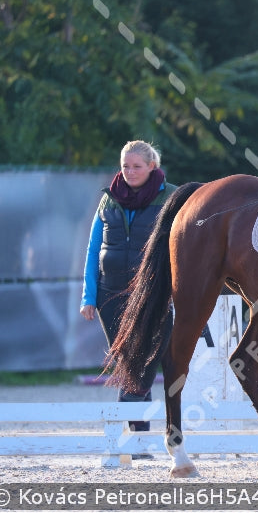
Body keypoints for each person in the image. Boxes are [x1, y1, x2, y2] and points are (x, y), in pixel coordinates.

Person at [80, 140, 177, 436]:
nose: (130, 172)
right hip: (110, 292)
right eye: (125, 166)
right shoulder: (109, 198)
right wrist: (88, 295)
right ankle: (139, 438)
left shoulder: (171, 197)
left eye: (137, 166)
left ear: (152, 166)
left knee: (145, 358)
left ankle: (128, 423)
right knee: (127, 361)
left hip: (153, 291)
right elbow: (94, 247)